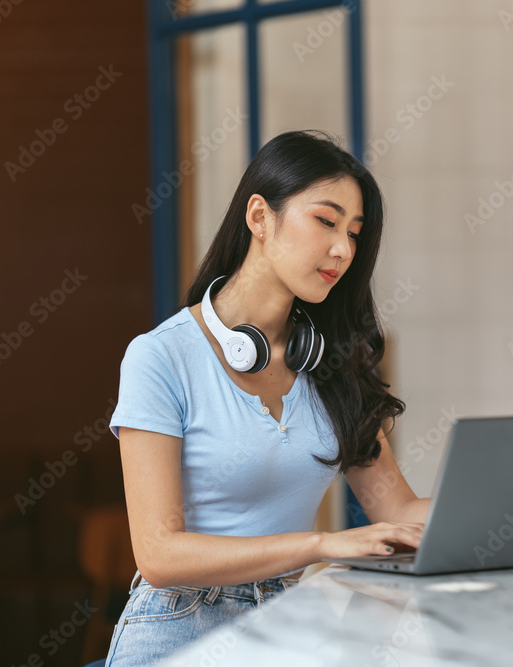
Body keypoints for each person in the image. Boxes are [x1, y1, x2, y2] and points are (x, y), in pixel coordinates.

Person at [104, 130, 429, 665]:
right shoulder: (161, 357)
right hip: (181, 628)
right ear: (259, 216)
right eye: (326, 221)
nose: (343, 249)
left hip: (290, 625)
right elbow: (159, 554)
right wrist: (322, 544)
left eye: (354, 231)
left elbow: (398, 510)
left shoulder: (333, 363)